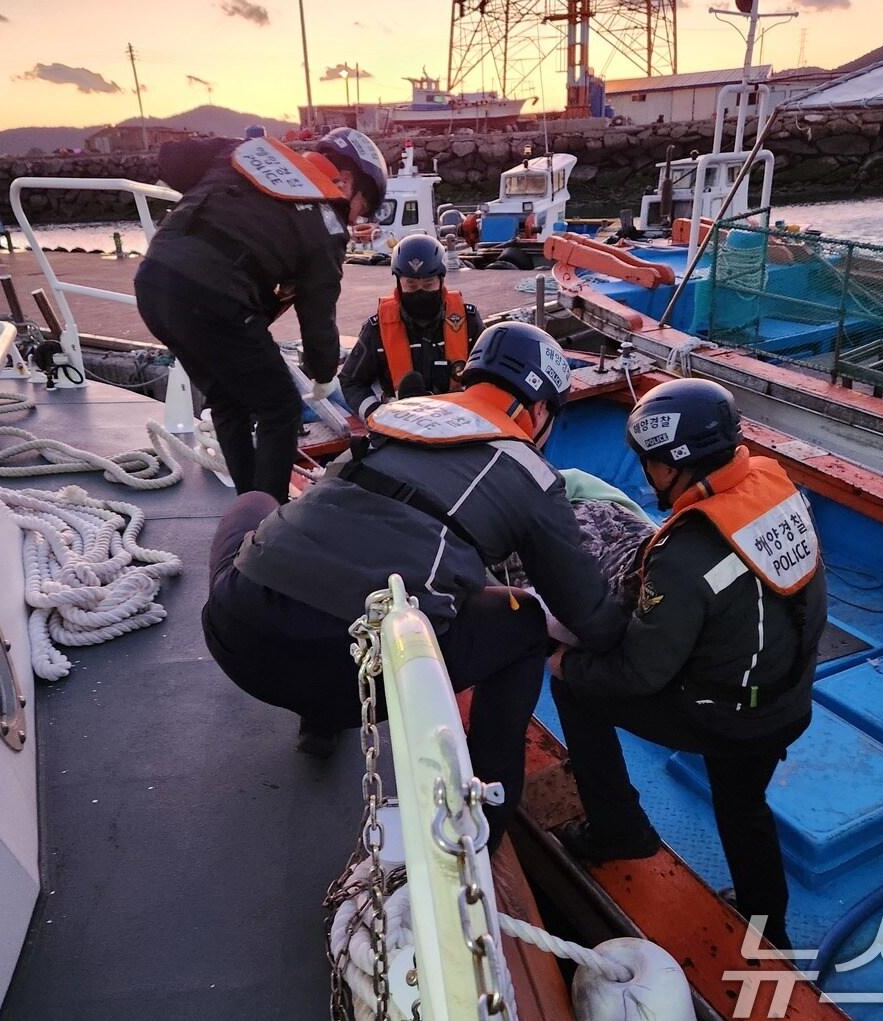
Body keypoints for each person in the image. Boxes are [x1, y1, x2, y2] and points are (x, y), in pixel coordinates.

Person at [202, 321, 626, 844]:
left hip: (238, 638)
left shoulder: (394, 422)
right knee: (525, 623)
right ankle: (488, 814)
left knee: (254, 504)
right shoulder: (531, 474)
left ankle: (317, 726)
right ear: (540, 411)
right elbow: (587, 613)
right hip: (357, 682)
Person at [548, 378, 826, 951]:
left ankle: (617, 829)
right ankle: (768, 922)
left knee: (579, 686)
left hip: (729, 717)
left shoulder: (684, 553)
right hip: (790, 699)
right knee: (743, 801)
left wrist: (563, 661)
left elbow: (639, 674)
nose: (646, 476)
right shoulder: (773, 487)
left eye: (649, 464)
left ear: (674, 465)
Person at [134, 128, 388, 502]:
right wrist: (322, 374)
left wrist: (228, 157)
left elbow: (173, 157)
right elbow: (318, 316)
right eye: (359, 209)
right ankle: (267, 516)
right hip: (213, 297)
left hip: (154, 282)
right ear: (347, 182)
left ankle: (247, 503)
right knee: (281, 406)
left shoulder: (249, 153)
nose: (352, 221)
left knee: (227, 400)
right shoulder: (327, 223)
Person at [338, 233, 483, 418]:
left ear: (441, 281)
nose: (420, 292)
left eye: (429, 284)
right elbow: (351, 382)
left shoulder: (468, 319)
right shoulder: (377, 329)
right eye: (411, 286)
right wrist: (375, 414)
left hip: (462, 421)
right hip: (402, 427)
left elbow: (491, 375)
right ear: (398, 284)